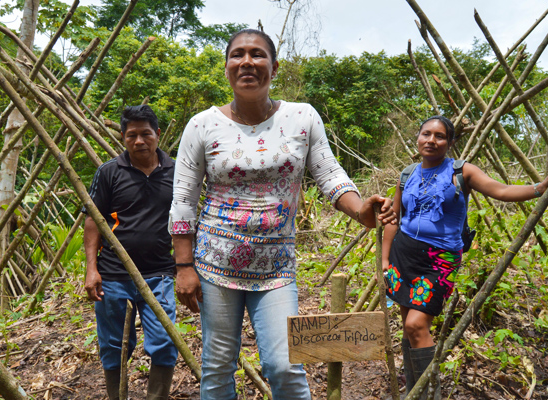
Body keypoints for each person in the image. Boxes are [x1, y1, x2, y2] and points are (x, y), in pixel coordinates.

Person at [169, 28, 395, 399]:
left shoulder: (301, 118)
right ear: (226, 68)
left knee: (284, 366)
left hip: (276, 268)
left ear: (274, 68)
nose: (247, 62)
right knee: (218, 367)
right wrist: (183, 266)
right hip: (214, 266)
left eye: (257, 54)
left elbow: (329, 174)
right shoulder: (202, 125)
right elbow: (183, 199)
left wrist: (360, 211)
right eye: (237, 55)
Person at [382, 115, 548, 400]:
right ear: (418, 138)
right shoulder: (407, 174)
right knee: (408, 327)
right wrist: (385, 260)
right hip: (403, 256)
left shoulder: (462, 172)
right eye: (426, 134)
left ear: (451, 142)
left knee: (416, 325)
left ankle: (427, 396)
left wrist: (539, 188)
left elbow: (502, 190)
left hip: (439, 261)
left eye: (440, 136)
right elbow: (393, 218)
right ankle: (413, 392)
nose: (431, 140)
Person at [83, 105, 177, 400]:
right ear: (123, 137)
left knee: (165, 340)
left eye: (145, 134)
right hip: (114, 274)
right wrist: (91, 269)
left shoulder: (176, 171)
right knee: (115, 345)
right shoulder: (109, 172)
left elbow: (186, 218)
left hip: (159, 273)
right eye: (131, 135)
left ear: (157, 134)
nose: (139, 141)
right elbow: (93, 220)